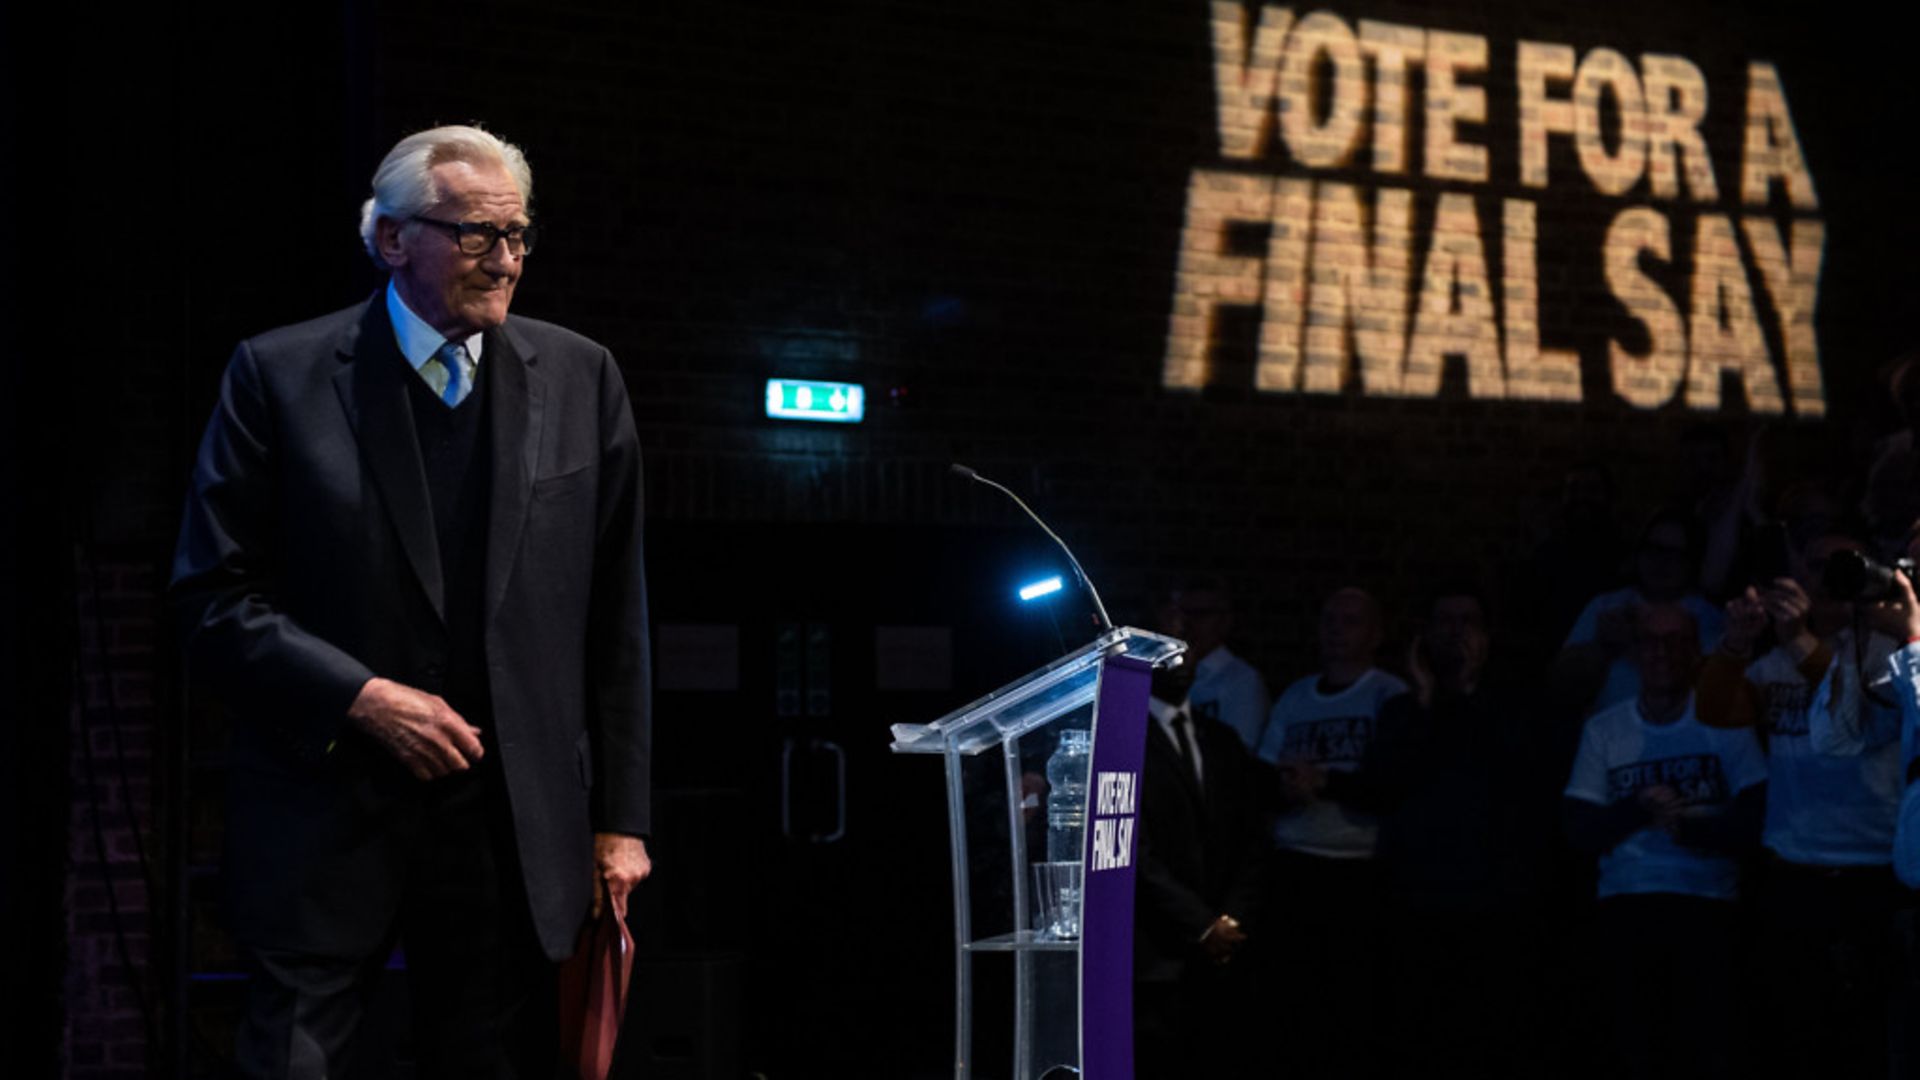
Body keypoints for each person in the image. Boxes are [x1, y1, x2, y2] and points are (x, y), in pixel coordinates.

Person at [171, 125, 652, 1079]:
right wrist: (360, 697)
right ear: (392, 240)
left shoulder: (582, 377)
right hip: (323, 810)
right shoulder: (281, 375)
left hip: (506, 829)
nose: (507, 260)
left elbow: (616, 616)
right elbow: (211, 595)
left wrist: (622, 820)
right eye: (476, 234)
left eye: (518, 235)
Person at [1701, 527, 1915, 1078]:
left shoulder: (1892, 651)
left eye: (1841, 565)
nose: (1827, 579)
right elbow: (1716, 715)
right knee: (1791, 1033)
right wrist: (1736, 644)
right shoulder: (1785, 660)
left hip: (1871, 869)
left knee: (1868, 1037)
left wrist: (1801, 639)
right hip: (1792, 869)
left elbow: (1855, 718)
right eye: (1815, 566)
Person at [1563, 604, 1767, 1080]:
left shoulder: (1725, 722)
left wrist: (1690, 827)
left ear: (1695, 651)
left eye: (1675, 641)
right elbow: (1578, 828)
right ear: (1635, 652)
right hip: (1626, 899)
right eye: (1651, 641)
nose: (1662, 653)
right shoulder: (1606, 728)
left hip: (1707, 899)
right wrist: (1637, 810)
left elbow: (1758, 821)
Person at [1252, 586, 1406, 1080]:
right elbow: (1261, 773)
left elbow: (1394, 783)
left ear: (1376, 633)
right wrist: (1288, 788)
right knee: (1296, 1008)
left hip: (1358, 868)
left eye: (1350, 621)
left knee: (1352, 1010)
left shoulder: (1388, 694)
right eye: (1329, 620)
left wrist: (1327, 781)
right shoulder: (1297, 695)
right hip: (1296, 859)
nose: (1337, 630)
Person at [1134, 654, 1268, 1078]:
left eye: (1189, 651)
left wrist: (1229, 922)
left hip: (1224, 952)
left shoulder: (1222, 739)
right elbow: (1135, 852)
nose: (1181, 660)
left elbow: (1254, 838)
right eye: (1169, 651)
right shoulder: (1123, 740)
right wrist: (1202, 924)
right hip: (1155, 955)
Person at [1161, 577, 1272, 751]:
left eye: (1200, 614)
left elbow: (1240, 753)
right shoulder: (1161, 674)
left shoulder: (1242, 680)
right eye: (1183, 613)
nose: (1188, 623)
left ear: (1225, 621)